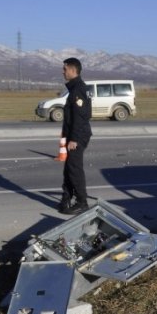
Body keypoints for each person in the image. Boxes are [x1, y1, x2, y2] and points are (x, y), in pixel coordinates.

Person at [58, 57, 92, 215]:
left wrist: (74, 139)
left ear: (73, 70)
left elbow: (81, 116)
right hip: (72, 134)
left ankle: (82, 201)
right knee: (69, 168)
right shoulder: (74, 88)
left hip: (77, 136)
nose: (63, 72)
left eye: (65, 69)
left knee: (74, 168)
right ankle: (66, 198)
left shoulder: (78, 89)